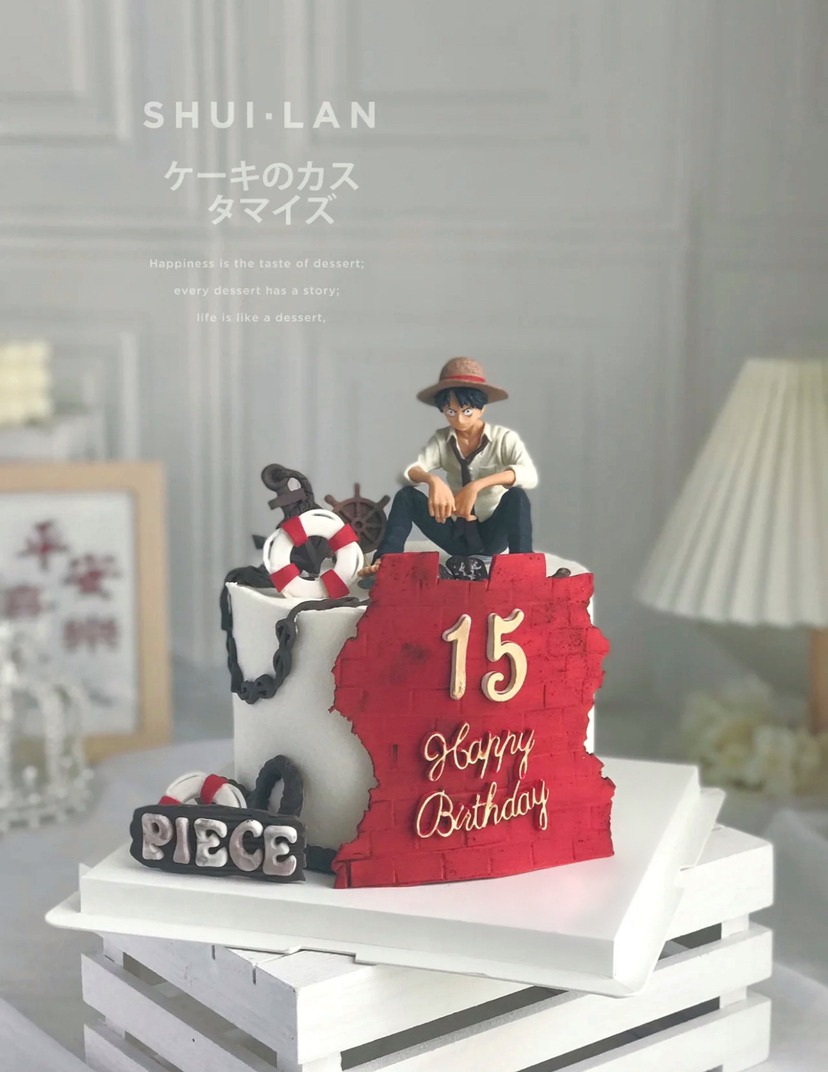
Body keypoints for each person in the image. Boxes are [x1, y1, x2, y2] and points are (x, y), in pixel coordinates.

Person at [360, 357, 537, 577]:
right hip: (455, 536)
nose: (460, 420)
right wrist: (432, 480)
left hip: (492, 534)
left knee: (517, 496)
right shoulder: (442, 439)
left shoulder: (503, 438)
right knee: (406, 496)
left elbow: (529, 475)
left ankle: (524, 567)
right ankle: (385, 562)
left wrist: (477, 486)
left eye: (467, 411)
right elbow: (409, 472)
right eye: (451, 412)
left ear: (481, 408)